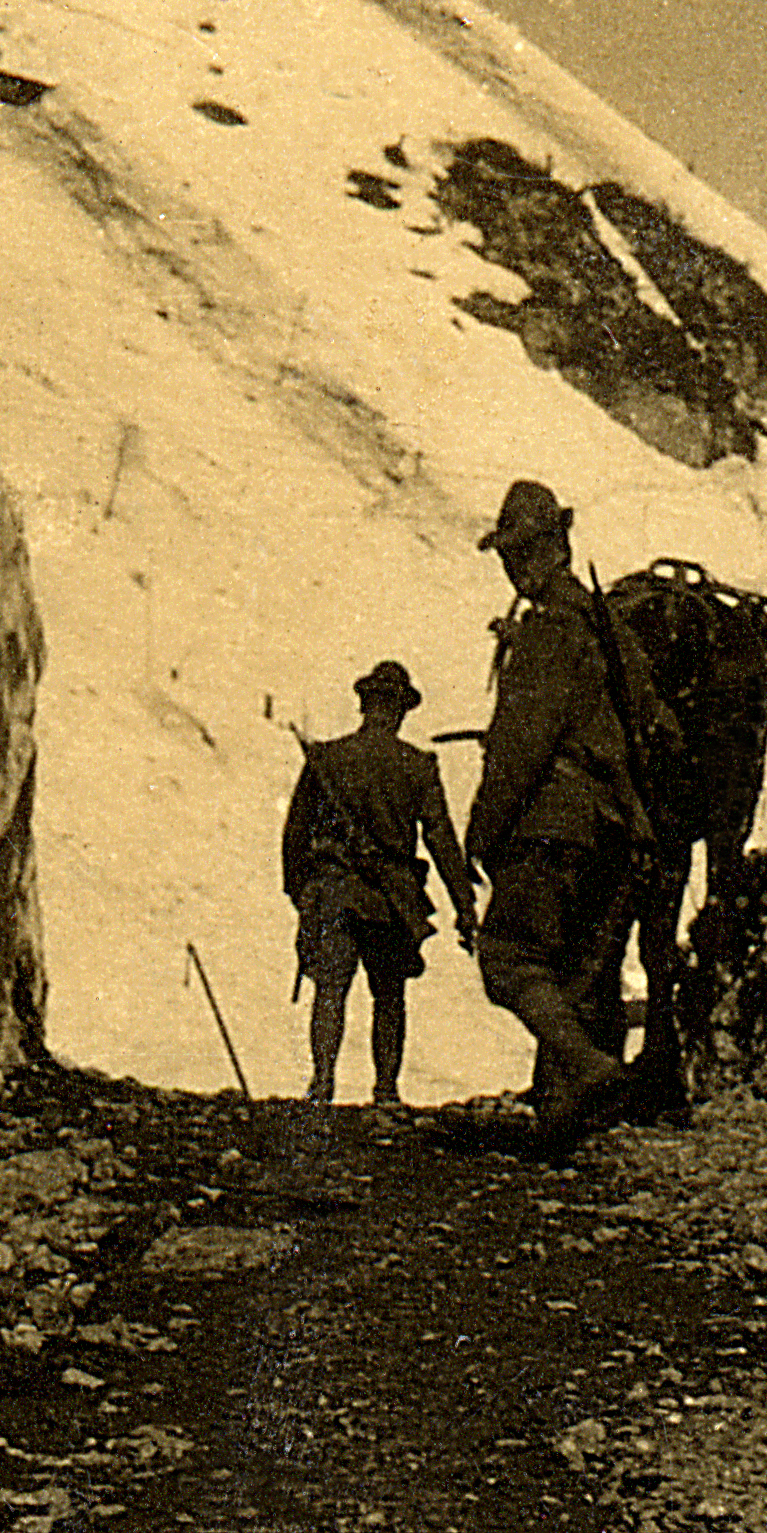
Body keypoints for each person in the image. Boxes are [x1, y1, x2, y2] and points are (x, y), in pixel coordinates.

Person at [465, 480, 655, 1148]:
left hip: (557, 824)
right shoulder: (608, 628)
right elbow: (653, 723)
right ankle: (564, 1120)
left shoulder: (548, 630)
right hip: (619, 829)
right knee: (575, 976)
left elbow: (520, 747)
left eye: (518, 553)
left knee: (507, 958)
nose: (512, 567)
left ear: (547, 549)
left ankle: (591, 1070)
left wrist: (478, 835)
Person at [283, 661, 478, 1106]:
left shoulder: (327, 759)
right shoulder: (418, 766)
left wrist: (301, 891)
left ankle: (321, 1084)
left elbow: (295, 834)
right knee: (389, 997)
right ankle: (386, 1091)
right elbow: (441, 839)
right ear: (401, 711)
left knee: (330, 990)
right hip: (390, 897)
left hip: (333, 890)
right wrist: (464, 905)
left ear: (364, 704)